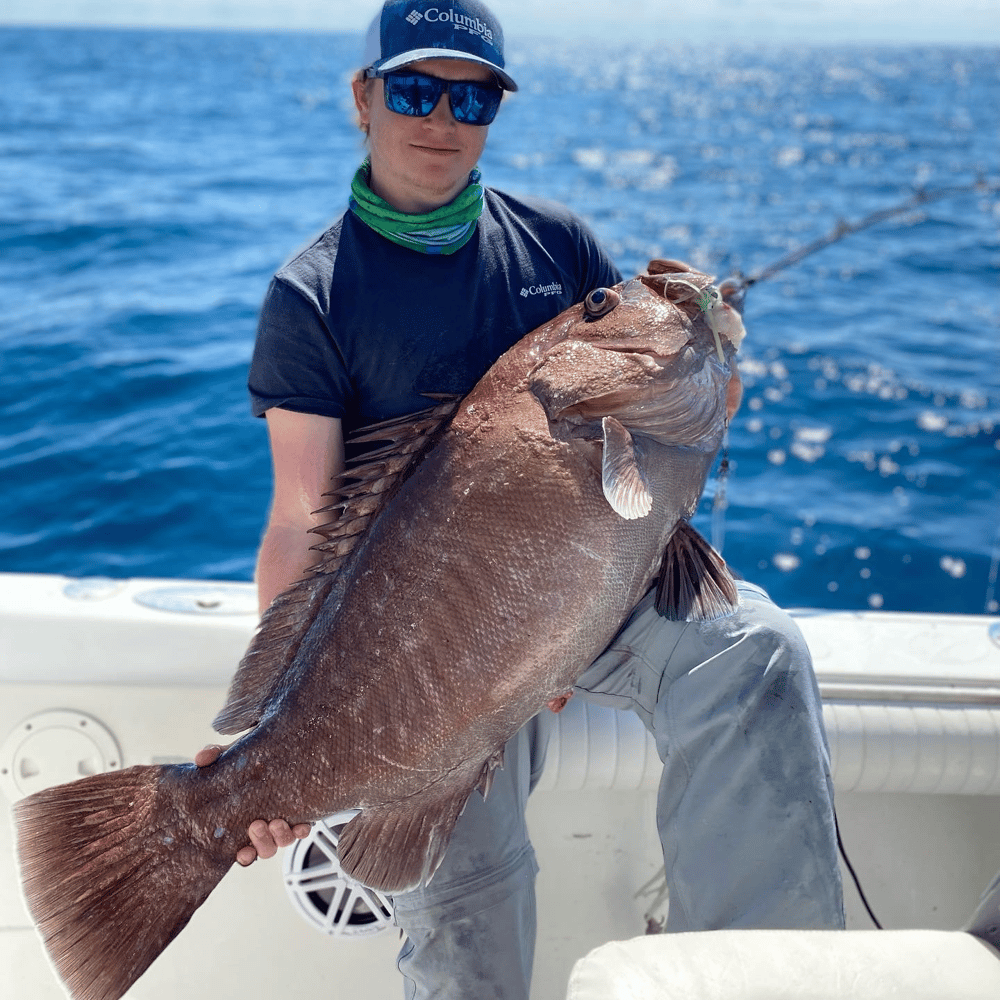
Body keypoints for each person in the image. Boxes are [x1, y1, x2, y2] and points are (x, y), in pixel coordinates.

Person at [198, 2, 846, 996]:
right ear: (362, 97)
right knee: (464, 894)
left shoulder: (558, 246)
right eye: (416, 87)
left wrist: (703, 380)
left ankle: (756, 974)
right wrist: (279, 736)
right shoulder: (312, 294)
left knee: (754, 648)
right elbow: (299, 519)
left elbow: (634, 452)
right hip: (428, 649)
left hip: (590, 588)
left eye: (475, 97)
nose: (441, 117)